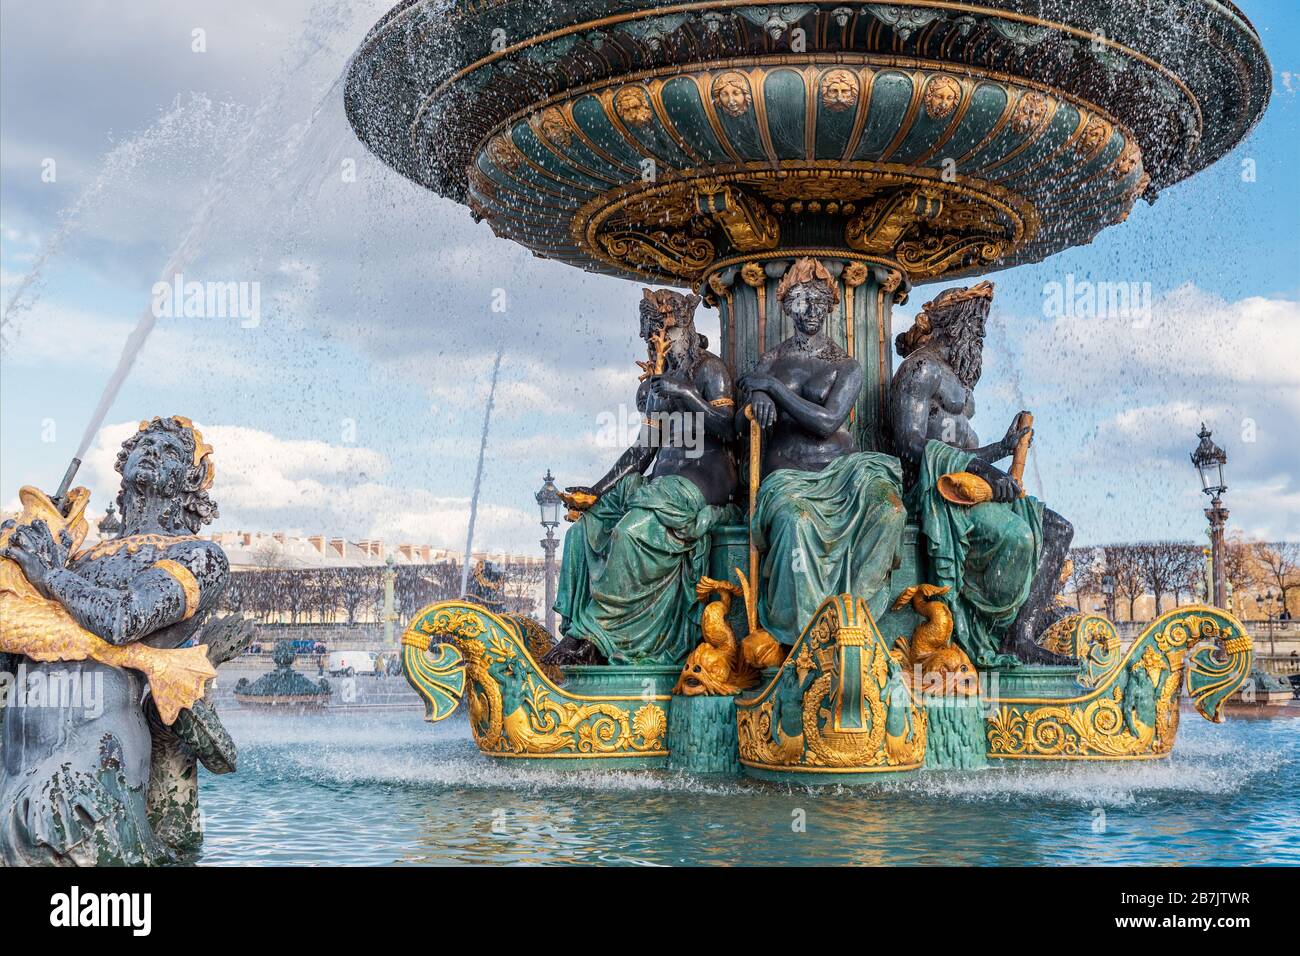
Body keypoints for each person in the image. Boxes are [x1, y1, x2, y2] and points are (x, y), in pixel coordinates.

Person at [546, 289, 740, 666]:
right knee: (582, 531)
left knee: (629, 533)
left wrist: (686, 394)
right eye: (650, 335)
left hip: (701, 483)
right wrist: (596, 490)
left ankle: (596, 637)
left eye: (664, 333)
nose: (656, 342)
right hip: (658, 484)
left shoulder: (708, 371)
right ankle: (576, 632)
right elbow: (642, 450)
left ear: (686, 329)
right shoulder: (658, 382)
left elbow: (730, 429)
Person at [890, 282, 1074, 665]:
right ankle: (990, 627)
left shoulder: (955, 378)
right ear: (956, 326)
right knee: (1019, 537)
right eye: (977, 330)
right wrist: (981, 469)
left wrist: (1002, 450)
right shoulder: (920, 370)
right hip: (940, 493)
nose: (982, 339)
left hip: (969, 485)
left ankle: (1019, 635)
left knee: (1059, 530)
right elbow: (909, 444)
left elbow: (962, 451)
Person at [740, 257, 906, 646]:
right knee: (794, 522)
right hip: (789, 479)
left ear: (831, 305)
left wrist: (773, 390)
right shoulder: (771, 361)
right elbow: (739, 426)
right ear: (787, 306)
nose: (811, 309)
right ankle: (807, 638)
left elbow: (827, 422)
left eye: (818, 300)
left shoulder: (846, 366)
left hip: (847, 474)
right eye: (801, 300)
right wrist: (754, 399)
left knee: (890, 510)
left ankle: (855, 618)